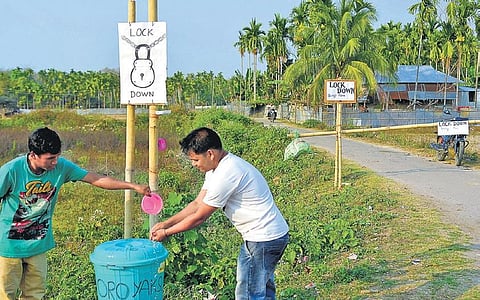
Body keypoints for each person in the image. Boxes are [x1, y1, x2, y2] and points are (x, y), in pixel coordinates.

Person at [0, 127, 151, 300]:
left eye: (57, 156)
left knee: (35, 294)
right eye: (50, 158)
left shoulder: (61, 167)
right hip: (8, 246)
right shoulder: (11, 170)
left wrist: (132, 186)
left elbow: (96, 179)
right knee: (5, 294)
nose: (55, 162)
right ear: (33, 155)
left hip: (38, 245)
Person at [150, 127, 289, 299]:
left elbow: (200, 216)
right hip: (264, 237)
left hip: (263, 239)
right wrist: (166, 223)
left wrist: (166, 233)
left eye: (195, 160)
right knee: (261, 289)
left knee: (248, 294)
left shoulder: (227, 172)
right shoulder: (216, 169)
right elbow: (196, 204)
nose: (194, 165)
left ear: (210, 154)